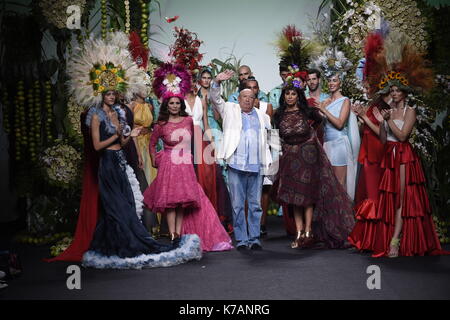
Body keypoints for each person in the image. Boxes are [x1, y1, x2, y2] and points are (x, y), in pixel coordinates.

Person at [348, 37, 447, 257]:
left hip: (403, 156)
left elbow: (402, 136)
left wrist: (388, 120)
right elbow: (384, 139)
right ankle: (387, 238)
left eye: (396, 90)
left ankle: (395, 240)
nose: (393, 93)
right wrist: (377, 121)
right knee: (388, 198)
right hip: (388, 154)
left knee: (401, 197)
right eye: (391, 90)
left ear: (404, 92)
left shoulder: (409, 111)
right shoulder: (388, 112)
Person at [143, 63, 233, 252]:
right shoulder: (161, 123)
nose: (175, 106)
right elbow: (152, 143)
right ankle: (174, 235)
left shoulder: (188, 120)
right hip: (168, 163)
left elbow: (196, 136)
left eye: (177, 103)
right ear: (167, 105)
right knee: (170, 199)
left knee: (183, 199)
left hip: (184, 161)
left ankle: (180, 233)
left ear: (181, 104)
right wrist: (154, 159)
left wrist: (208, 147)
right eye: (172, 103)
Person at [272, 78, 355, 249]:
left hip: (307, 156)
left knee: (308, 195)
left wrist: (310, 138)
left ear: (298, 95)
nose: (289, 96)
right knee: (294, 197)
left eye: (293, 93)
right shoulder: (278, 114)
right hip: (289, 158)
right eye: (287, 93)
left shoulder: (307, 112)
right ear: (284, 96)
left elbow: (319, 122)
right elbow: (275, 136)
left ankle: (309, 232)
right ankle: (299, 232)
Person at [209, 70, 273, 250]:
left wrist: (271, 161)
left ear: (255, 100)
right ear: (238, 98)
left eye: (251, 97)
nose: (247, 100)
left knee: (255, 205)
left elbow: (269, 138)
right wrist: (216, 82)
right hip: (236, 164)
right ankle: (242, 240)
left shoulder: (262, 116)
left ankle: (254, 239)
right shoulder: (230, 109)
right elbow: (215, 98)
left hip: (256, 166)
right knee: (237, 205)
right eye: (244, 96)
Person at [315, 73, 360, 200]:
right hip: (327, 144)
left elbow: (340, 124)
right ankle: (331, 216)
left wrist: (324, 110)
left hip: (339, 144)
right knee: (328, 182)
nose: (331, 83)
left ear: (340, 83)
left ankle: (342, 217)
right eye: (329, 81)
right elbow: (322, 127)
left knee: (340, 183)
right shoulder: (325, 102)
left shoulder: (345, 101)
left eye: (334, 80)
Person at [243, 77, 274, 236]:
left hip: (264, 151)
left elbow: (270, 130)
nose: (252, 90)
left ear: (258, 89)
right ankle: (249, 223)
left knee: (264, 189)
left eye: (255, 87)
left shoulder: (266, 106)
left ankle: (262, 223)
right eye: (249, 87)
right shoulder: (239, 107)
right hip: (246, 153)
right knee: (248, 188)